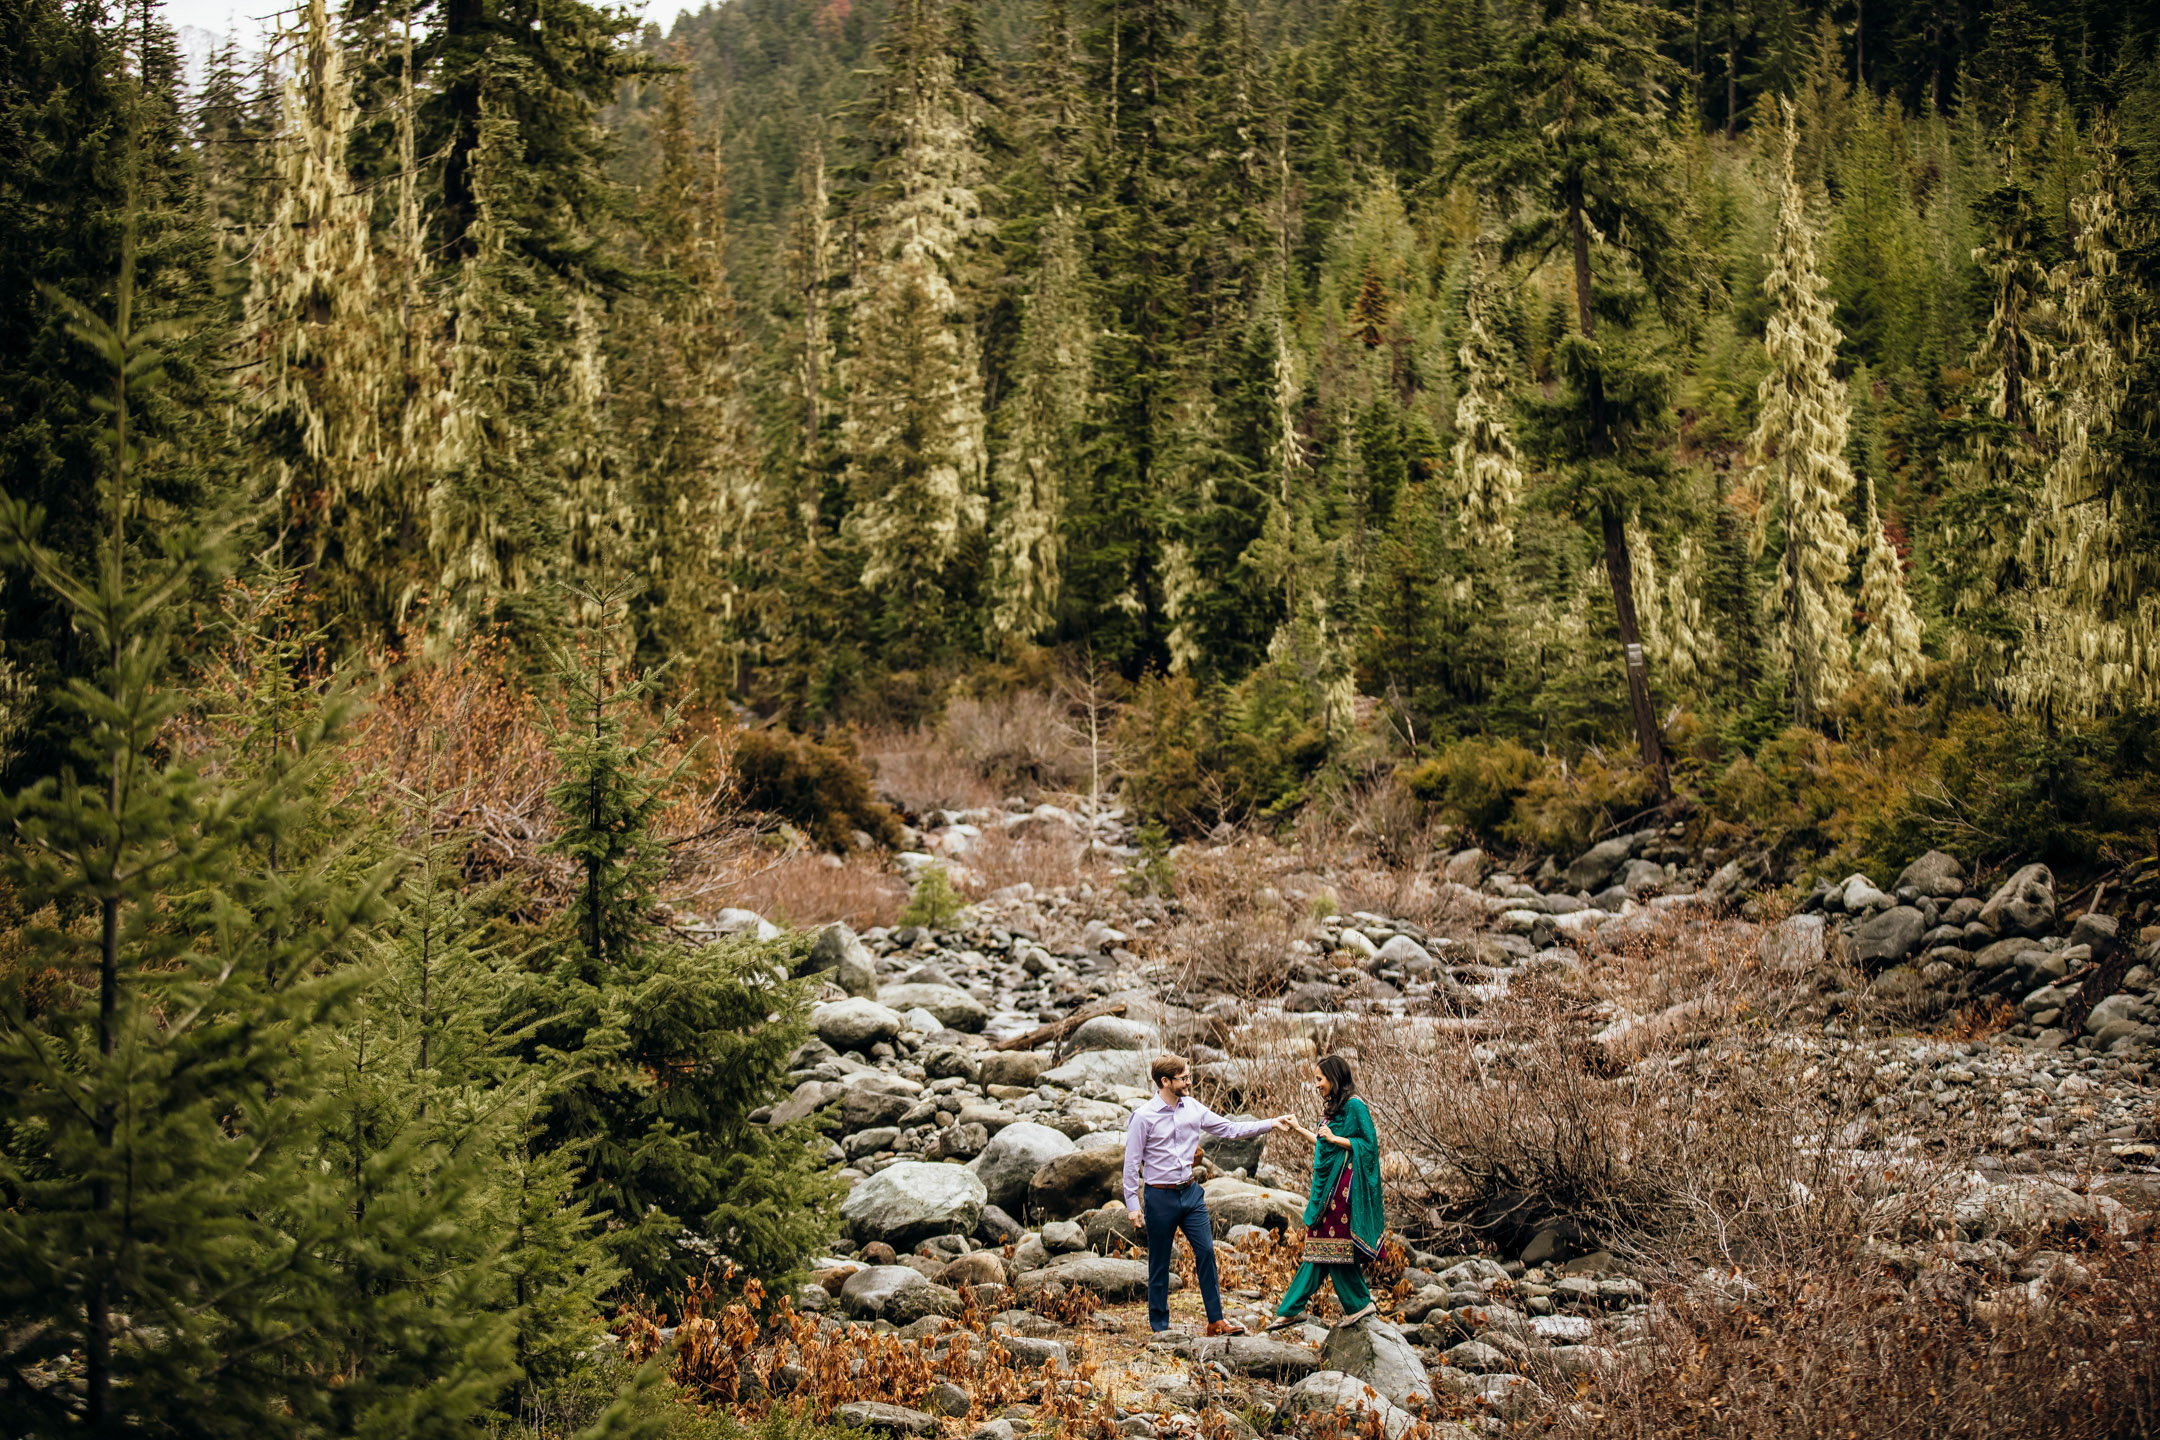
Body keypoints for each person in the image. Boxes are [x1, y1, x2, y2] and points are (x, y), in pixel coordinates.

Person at [1123, 1053, 1291, 1336]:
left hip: (1190, 1195)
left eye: (1188, 1076)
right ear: (1165, 1081)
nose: (1189, 1081)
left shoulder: (1193, 1108)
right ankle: (1160, 1329)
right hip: (1159, 1197)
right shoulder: (1143, 1117)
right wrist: (1132, 1204)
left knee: (1206, 1253)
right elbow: (1131, 1163)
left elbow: (1230, 1129)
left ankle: (1216, 1321)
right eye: (1183, 1078)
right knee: (1160, 1263)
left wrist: (1271, 1122)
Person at [1267, 1054, 1384, 1331]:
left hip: (1344, 1191)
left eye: (1319, 1079)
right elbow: (1325, 1143)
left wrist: (1336, 1138)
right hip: (1330, 1191)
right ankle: (1296, 1309)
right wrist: (1299, 1130)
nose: (1316, 1085)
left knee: (1330, 1248)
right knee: (1323, 1249)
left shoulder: (1355, 1106)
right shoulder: (1336, 1108)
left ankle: (1353, 1305)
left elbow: (1369, 1145)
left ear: (1333, 1078)